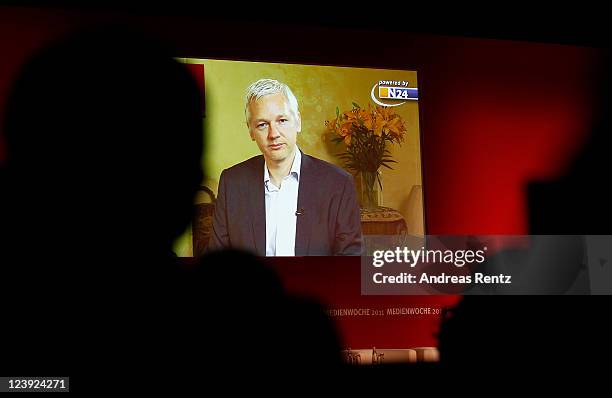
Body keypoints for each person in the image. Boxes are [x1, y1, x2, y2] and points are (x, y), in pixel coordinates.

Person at [209, 79, 362, 256]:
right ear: (250, 131)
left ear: (298, 121)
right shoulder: (232, 182)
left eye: (282, 120)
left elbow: (351, 261)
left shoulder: (338, 183)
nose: (273, 134)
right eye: (262, 125)